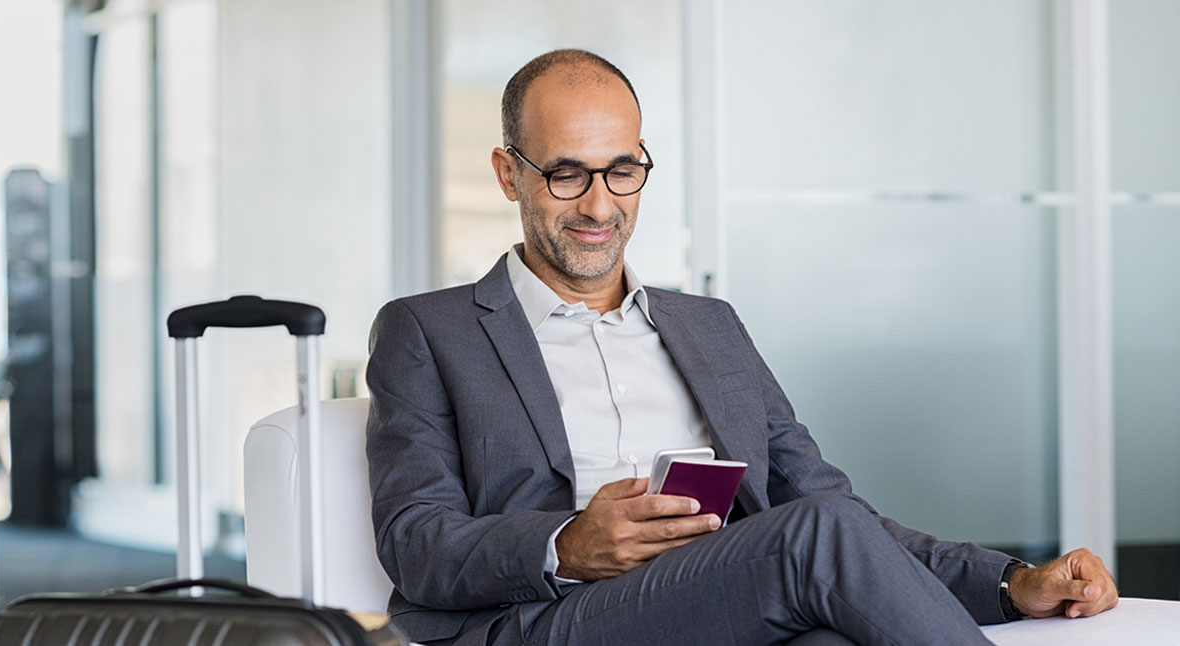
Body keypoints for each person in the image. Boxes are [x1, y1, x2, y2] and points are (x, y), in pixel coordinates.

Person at [363, 48, 1119, 646]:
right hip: (554, 620)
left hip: (729, 601)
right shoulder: (429, 330)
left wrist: (1011, 581)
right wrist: (566, 544)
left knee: (834, 614)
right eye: (566, 175)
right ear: (508, 175)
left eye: (622, 171)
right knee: (814, 539)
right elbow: (416, 541)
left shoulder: (709, 326)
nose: (600, 205)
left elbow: (829, 509)